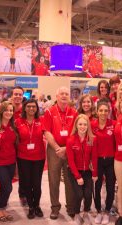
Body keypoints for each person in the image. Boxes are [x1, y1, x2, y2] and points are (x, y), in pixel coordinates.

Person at [44, 86, 78, 219]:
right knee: (54, 179)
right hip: (54, 150)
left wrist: (66, 148)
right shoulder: (50, 112)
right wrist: (58, 148)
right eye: (61, 94)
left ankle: (71, 207)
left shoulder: (74, 112)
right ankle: (55, 208)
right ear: (57, 97)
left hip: (69, 149)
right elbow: (47, 131)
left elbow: (75, 132)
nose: (64, 96)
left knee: (70, 179)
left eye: (66, 94)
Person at [15, 99, 46, 219]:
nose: (31, 109)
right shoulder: (18, 121)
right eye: (29, 106)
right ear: (24, 108)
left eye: (34, 106)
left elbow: (48, 133)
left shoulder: (41, 120)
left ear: (37, 108)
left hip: (39, 157)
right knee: (27, 183)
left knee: (37, 184)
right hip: (23, 157)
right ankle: (31, 207)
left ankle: (37, 205)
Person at [66, 114, 98, 225]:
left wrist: (95, 173)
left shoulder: (92, 139)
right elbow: (70, 161)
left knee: (88, 194)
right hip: (75, 172)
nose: (82, 126)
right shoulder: (70, 140)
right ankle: (76, 214)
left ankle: (86, 212)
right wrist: (78, 177)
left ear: (88, 126)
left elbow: (94, 158)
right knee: (79, 194)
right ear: (76, 125)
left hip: (87, 172)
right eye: (80, 124)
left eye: (85, 124)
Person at [91, 100, 116, 224]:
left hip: (111, 161)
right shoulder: (92, 125)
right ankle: (98, 211)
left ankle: (106, 211)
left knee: (111, 188)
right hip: (98, 161)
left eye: (106, 110)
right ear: (97, 111)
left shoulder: (114, 124)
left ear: (109, 112)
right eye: (101, 110)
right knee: (97, 187)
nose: (103, 113)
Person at [0, 101, 18, 222]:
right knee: (7, 187)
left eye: (11, 110)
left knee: (5, 187)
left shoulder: (13, 127)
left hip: (11, 162)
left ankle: (2, 208)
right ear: (1, 111)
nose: (9, 112)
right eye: (7, 110)